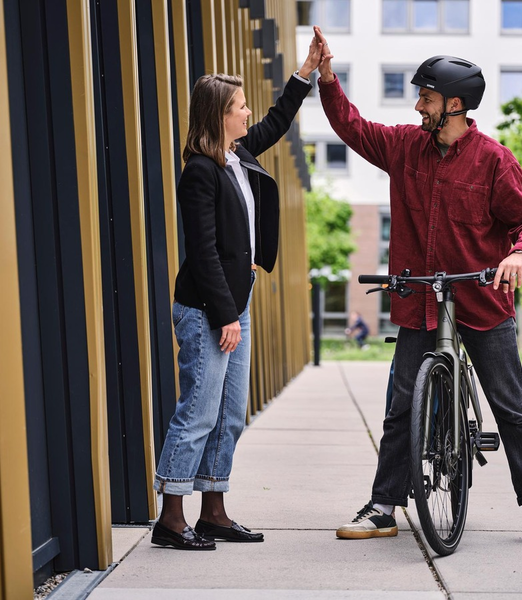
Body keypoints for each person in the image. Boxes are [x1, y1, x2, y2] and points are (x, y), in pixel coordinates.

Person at [313, 27, 522, 547]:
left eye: (425, 98)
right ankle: (384, 507)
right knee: (400, 407)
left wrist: (519, 253)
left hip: (483, 303)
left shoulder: (494, 160)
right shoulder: (405, 147)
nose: (417, 106)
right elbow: (354, 127)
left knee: (512, 408)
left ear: (454, 105)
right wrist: (328, 77)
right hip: (420, 302)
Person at [150, 36, 324, 551]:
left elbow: (277, 119)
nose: (248, 112)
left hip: (233, 305)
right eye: (239, 106)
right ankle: (172, 518)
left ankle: (215, 512)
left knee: (229, 413)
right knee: (198, 412)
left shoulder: (236, 154)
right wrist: (226, 314)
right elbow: (202, 252)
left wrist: (307, 72)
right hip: (208, 308)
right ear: (218, 115)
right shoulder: (200, 171)